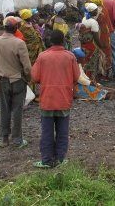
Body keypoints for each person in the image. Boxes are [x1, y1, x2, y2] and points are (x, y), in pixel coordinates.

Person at [31, 30, 80, 168]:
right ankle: (60, 159)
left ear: (50, 41)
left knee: (47, 132)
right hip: (64, 99)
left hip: (47, 99)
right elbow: (76, 77)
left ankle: (46, 160)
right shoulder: (70, 56)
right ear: (63, 41)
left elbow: (34, 77)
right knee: (62, 131)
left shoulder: (43, 57)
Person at [0, 16, 32, 148]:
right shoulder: (19, 43)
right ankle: (17, 140)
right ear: (16, 28)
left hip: (2, 80)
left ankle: (4, 139)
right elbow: (27, 67)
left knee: (4, 110)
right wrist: (29, 78)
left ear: (4, 27)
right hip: (17, 80)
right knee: (17, 110)